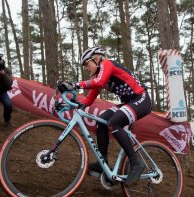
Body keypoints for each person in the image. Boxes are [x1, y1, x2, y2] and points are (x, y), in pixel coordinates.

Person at [58, 46, 151, 185]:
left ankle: (136, 164)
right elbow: (88, 101)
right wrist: (68, 104)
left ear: (96, 59)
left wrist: (75, 85)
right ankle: (103, 162)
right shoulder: (98, 76)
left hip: (141, 99)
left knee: (113, 122)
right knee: (101, 121)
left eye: (86, 64)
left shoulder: (107, 64)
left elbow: (99, 82)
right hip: (129, 103)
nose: (86, 68)